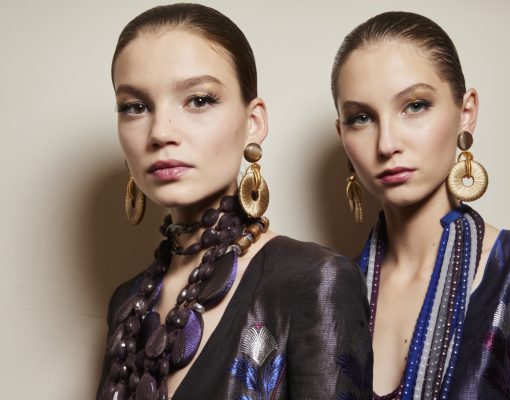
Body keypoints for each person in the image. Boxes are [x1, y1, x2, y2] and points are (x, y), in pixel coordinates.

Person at [97, 4, 372, 400]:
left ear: (253, 122)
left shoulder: (315, 280)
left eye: (199, 100)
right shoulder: (127, 304)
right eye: (135, 107)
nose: (160, 132)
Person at [331, 11, 510, 399]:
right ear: (342, 135)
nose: (387, 143)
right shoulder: (326, 291)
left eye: (415, 105)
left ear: (466, 112)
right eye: (361, 118)